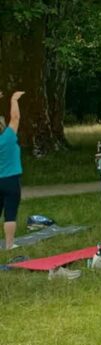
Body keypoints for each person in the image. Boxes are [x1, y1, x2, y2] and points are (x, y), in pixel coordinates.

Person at [0, 91, 25, 250]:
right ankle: (9, 245)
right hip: (11, 181)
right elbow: (15, 118)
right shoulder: (8, 137)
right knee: (10, 213)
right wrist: (13, 100)